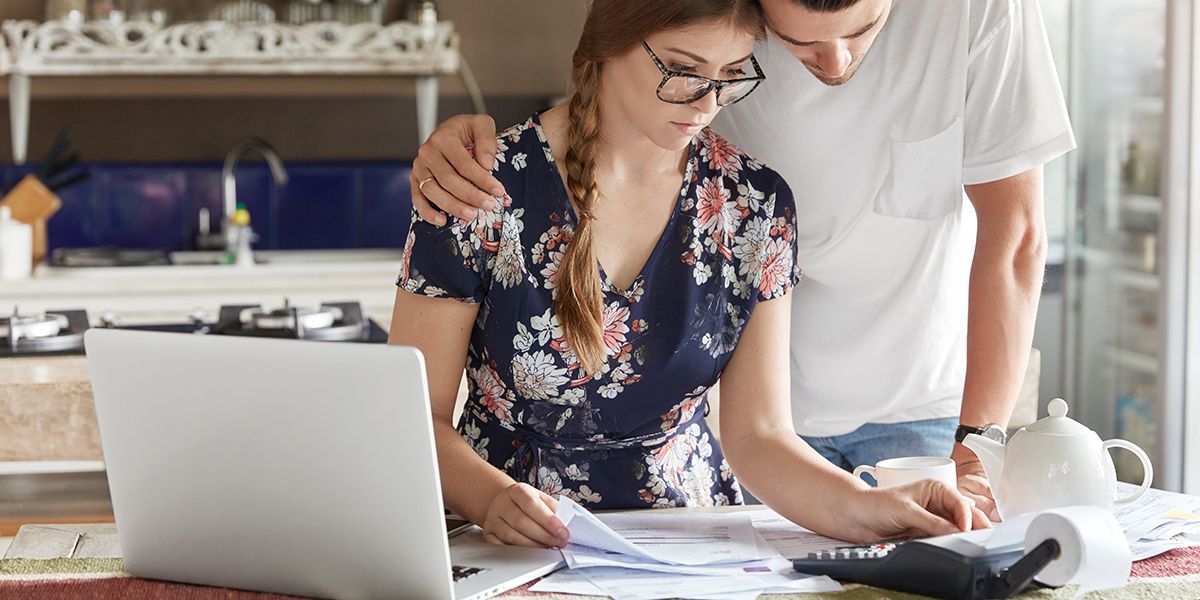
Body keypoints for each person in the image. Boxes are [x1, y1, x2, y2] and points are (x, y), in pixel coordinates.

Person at [406, 0, 1075, 521]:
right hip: (519, 535)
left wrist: (935, 475)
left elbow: (756, 437)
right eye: (683, 70)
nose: (705, 104)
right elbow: (406, 422)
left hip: (877, 421)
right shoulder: (483, 186)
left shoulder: (752, 205)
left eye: (729, 78)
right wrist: (489, 501)